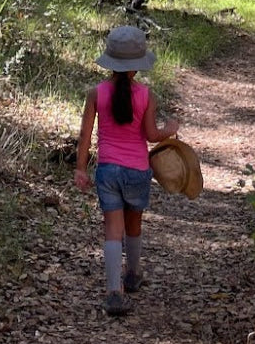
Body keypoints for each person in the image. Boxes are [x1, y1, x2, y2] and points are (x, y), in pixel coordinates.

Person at [74, 23, 179, 316]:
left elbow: (84, 136)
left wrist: (81, 169)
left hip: (108, 170)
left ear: (110, 61)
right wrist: (169, 129)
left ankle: (113, 292)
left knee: (112, 229)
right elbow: (151, 135)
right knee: (134, 225)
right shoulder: (147, 95)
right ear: (137, 65)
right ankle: (132, 275)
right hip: (137, 170)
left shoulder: (95, 93)